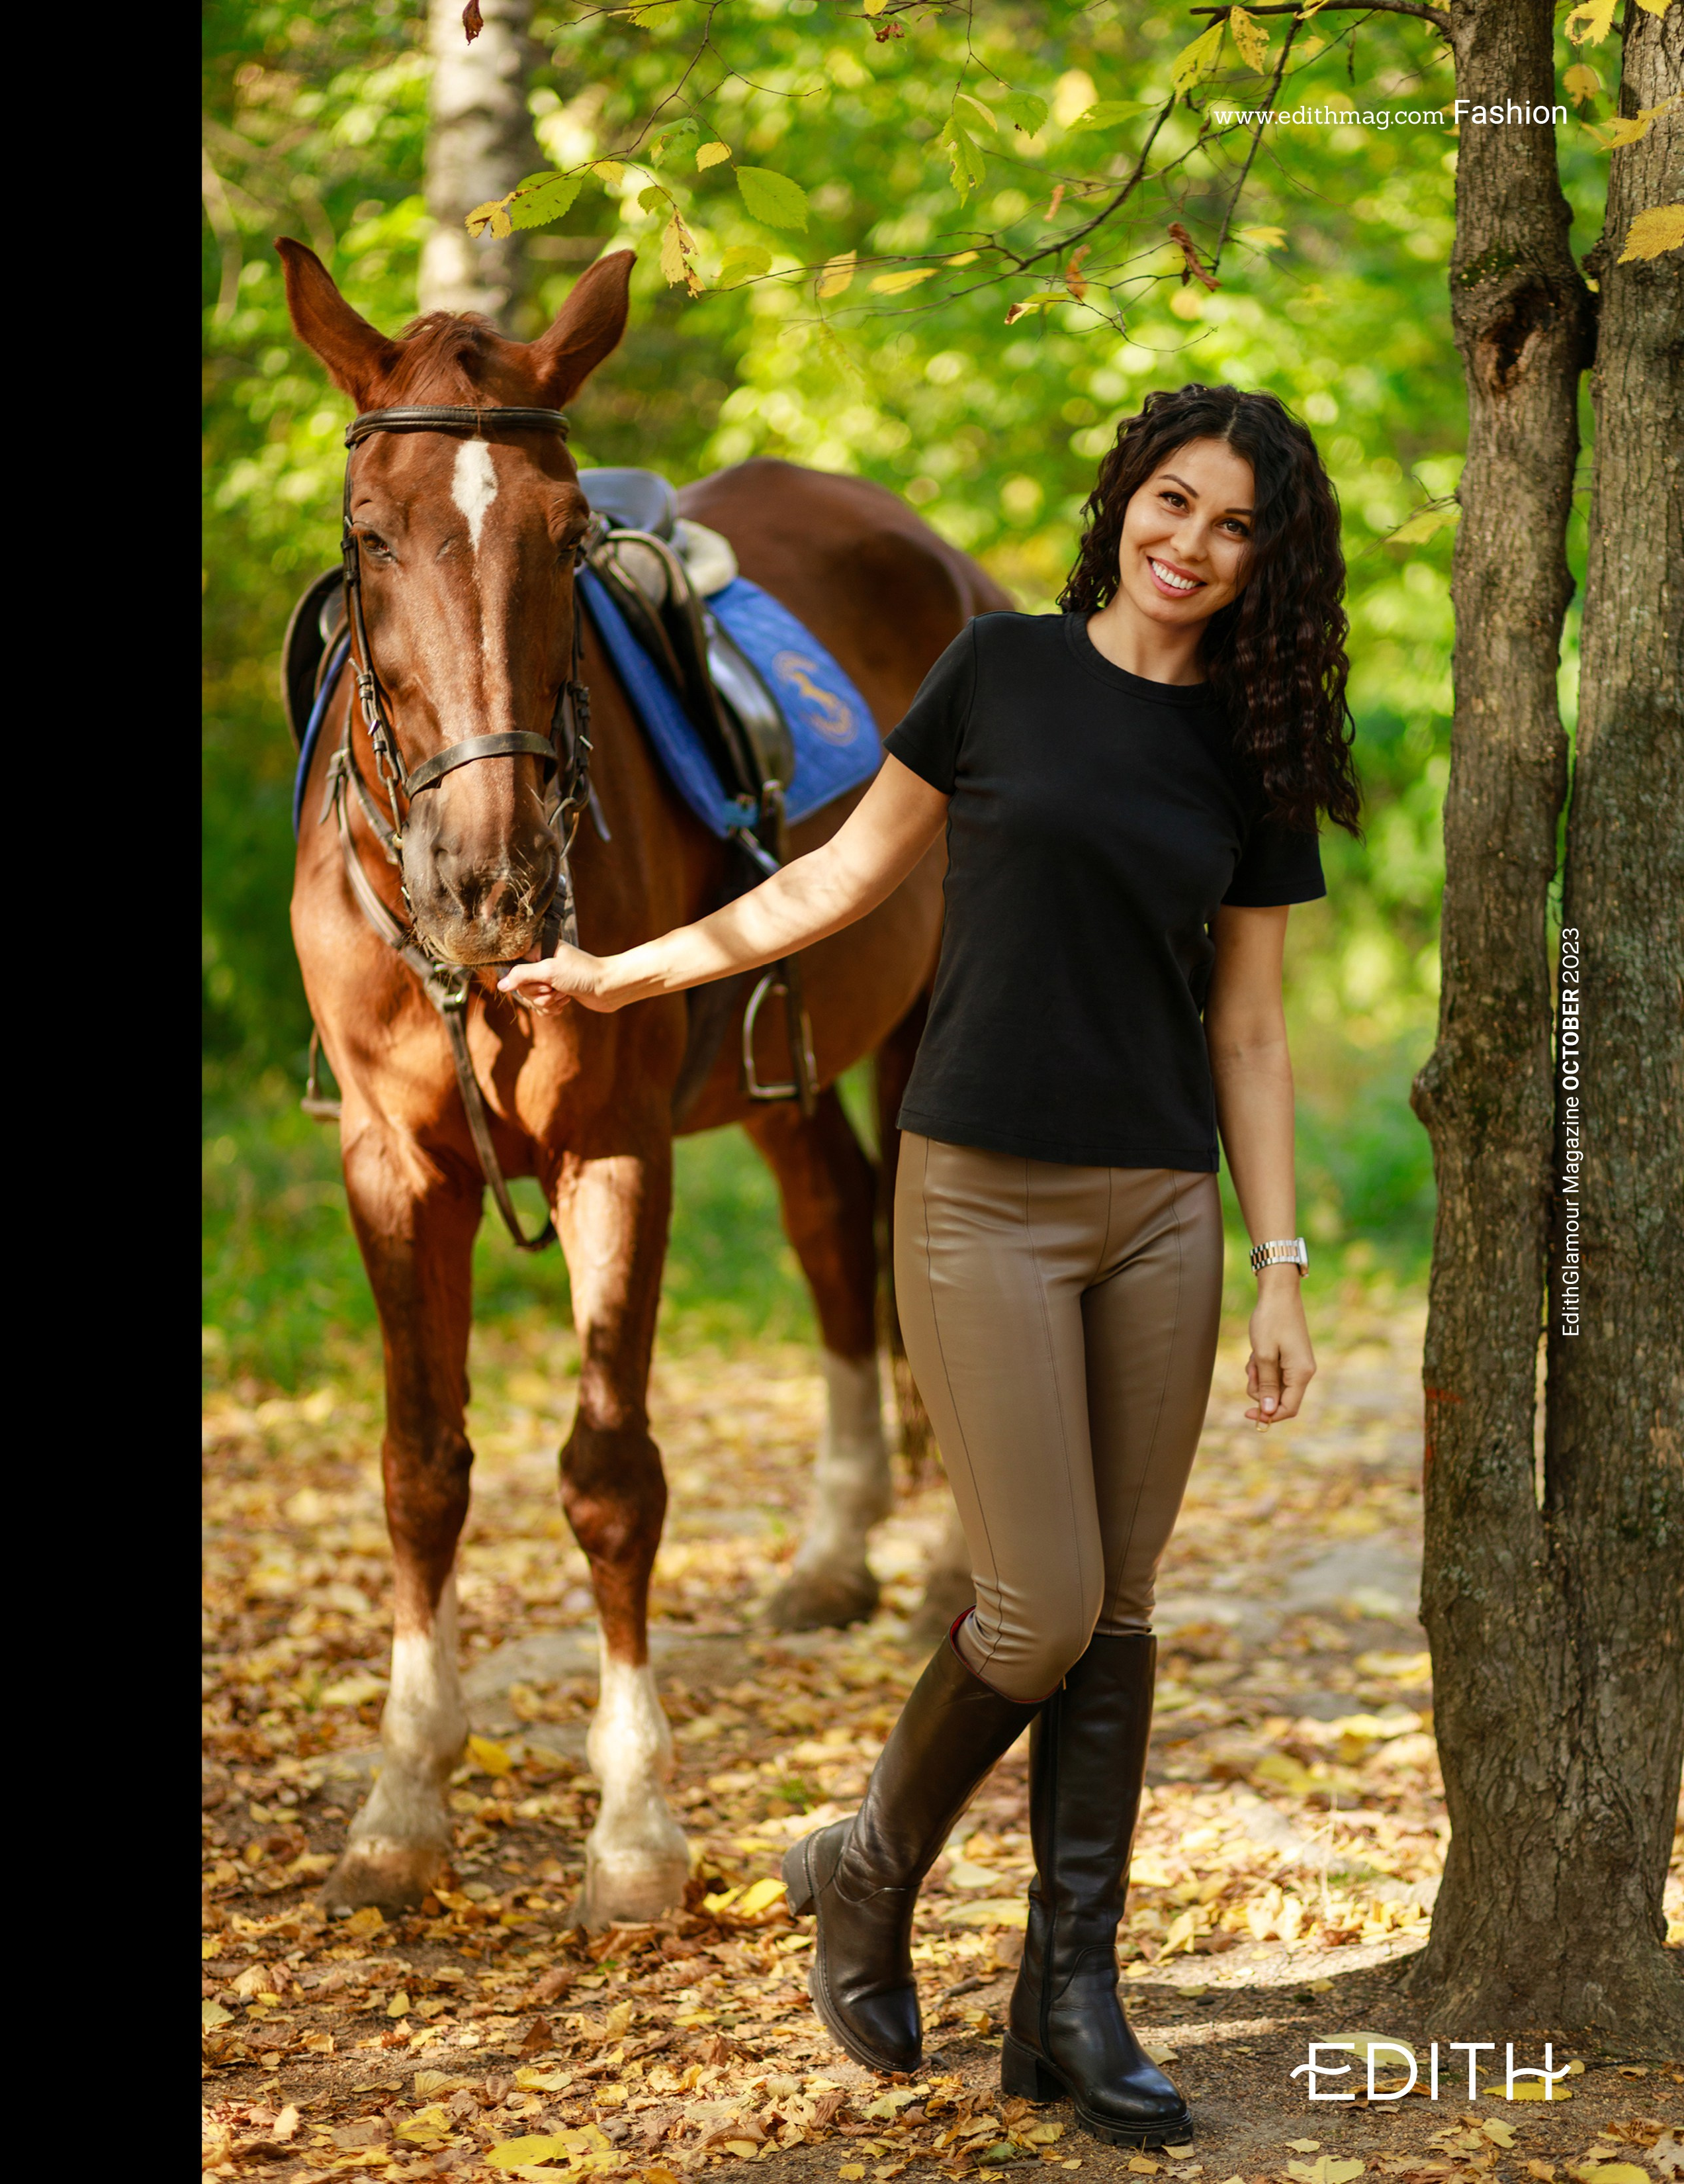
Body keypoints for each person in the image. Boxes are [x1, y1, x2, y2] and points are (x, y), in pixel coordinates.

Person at [500, 384, 1360, 2146]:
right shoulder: (996, 675)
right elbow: (830, 892)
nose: (1190, 547)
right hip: (975, 1196)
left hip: (1159, 1212)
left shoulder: (1253, 749)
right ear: (1127, 497)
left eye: (1233, 529)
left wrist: (1279, 1262)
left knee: (1117, 1612)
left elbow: (1255, 1031)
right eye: (1172, 503)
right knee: (1035, 1602)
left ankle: (1074, 1997)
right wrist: (623, 976)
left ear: (1269, 565)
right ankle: (872, 1867)